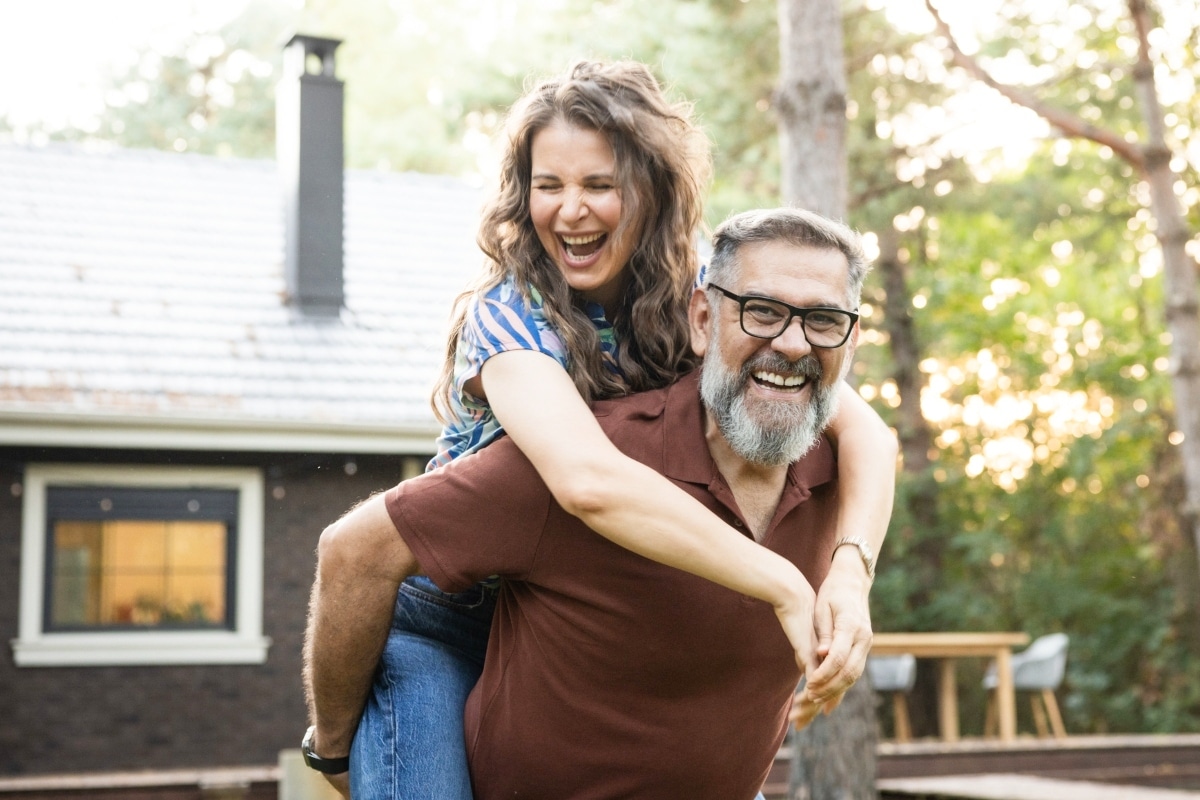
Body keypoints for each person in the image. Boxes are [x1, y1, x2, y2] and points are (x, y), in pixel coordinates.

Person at [302, 61, 895, 798]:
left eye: (598, 185)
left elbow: (865, 431)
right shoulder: (510, 317)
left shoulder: (703, 290)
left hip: (561, 612)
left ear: (650, 191)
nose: (570, 210)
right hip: (448, 616)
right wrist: (779, 580)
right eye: (547, 186)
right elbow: (586, 481)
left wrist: (849, 569)